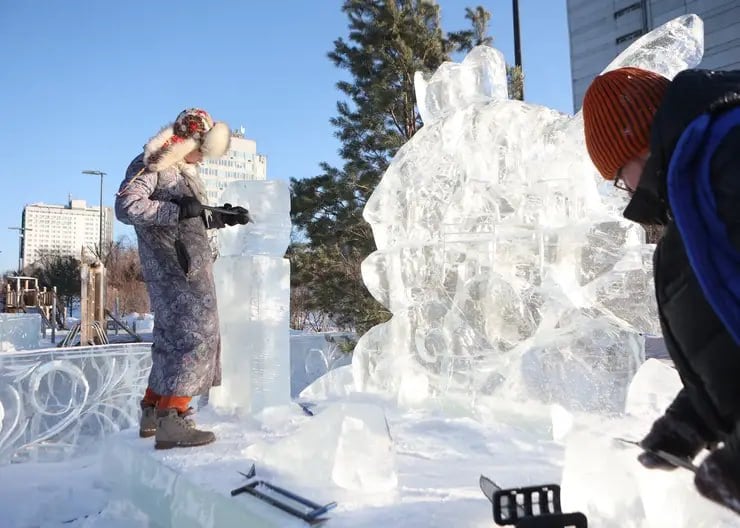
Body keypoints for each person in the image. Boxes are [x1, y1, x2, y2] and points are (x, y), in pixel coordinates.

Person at [582, 66, 740, 513]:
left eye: (618, 175)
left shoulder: (729, 152)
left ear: (638, 148)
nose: (627, 191)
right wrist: (691, 420)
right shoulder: (695, 193)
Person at [115, 108, 250, 450]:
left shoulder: (179, 170)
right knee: (196, 337)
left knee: (173, 338)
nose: (202, 160)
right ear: (187, 141)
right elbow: (127, 207)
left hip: (183, 266)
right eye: (201, 152)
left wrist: (219, 216)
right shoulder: (153, 165)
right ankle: (174, 419)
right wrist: (177, 211)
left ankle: (154, 409)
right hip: (175, 269)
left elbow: (188, 217)